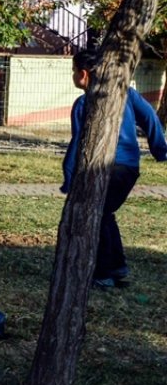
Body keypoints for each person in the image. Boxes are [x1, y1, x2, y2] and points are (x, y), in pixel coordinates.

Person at [63, 50, 167, 287]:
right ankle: (116, 268)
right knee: (104, 214)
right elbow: (150, 116)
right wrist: (160, 150)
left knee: (95, 215)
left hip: (105, 169)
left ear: (83, 73)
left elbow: (77, 142)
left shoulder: (83, 103)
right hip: (129, 168)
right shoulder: (125, 93)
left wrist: (69, 177)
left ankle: (103, 274)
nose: (73, 76)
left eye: (73, 71)